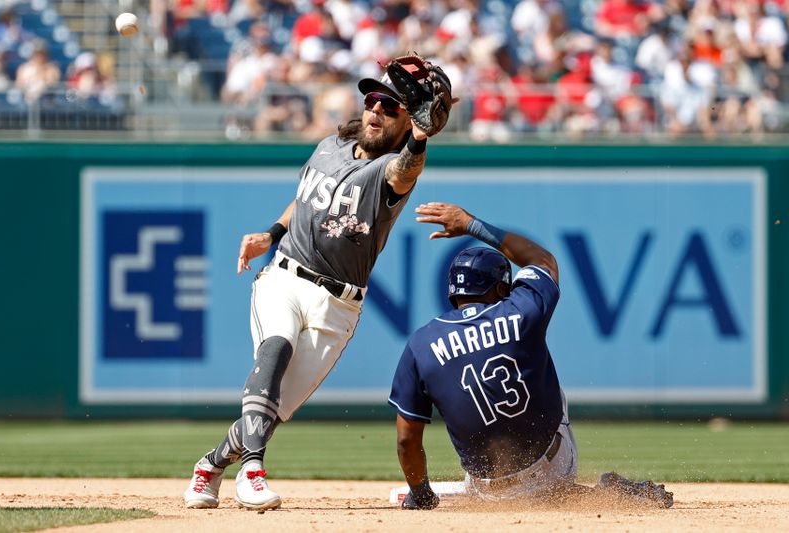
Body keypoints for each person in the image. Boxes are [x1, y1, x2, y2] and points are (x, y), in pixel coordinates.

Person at [184, 56, 450, 511]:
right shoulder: (329, 145)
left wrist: (421, 140)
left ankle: (209, 466)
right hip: (285, 275)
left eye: (390, 106)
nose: (376, 109)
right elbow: (305, 200)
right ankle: (252, 470)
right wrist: (270, 234)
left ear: (408, 121)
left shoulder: (388, 172)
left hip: (339, 306)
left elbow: (407, 171)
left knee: (273, 410)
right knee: (276, 346)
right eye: (372, 99)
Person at [388, 202, 674, 509]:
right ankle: (610, 494)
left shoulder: (421, 344)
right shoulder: (522, 309)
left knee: (477, 456)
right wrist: (470, 224)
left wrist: (420, 493)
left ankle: (436, 490)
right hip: (553, 465)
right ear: (501, 289)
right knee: (547, 382)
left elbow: (406, 441)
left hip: (488, 488)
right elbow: (542, 259)